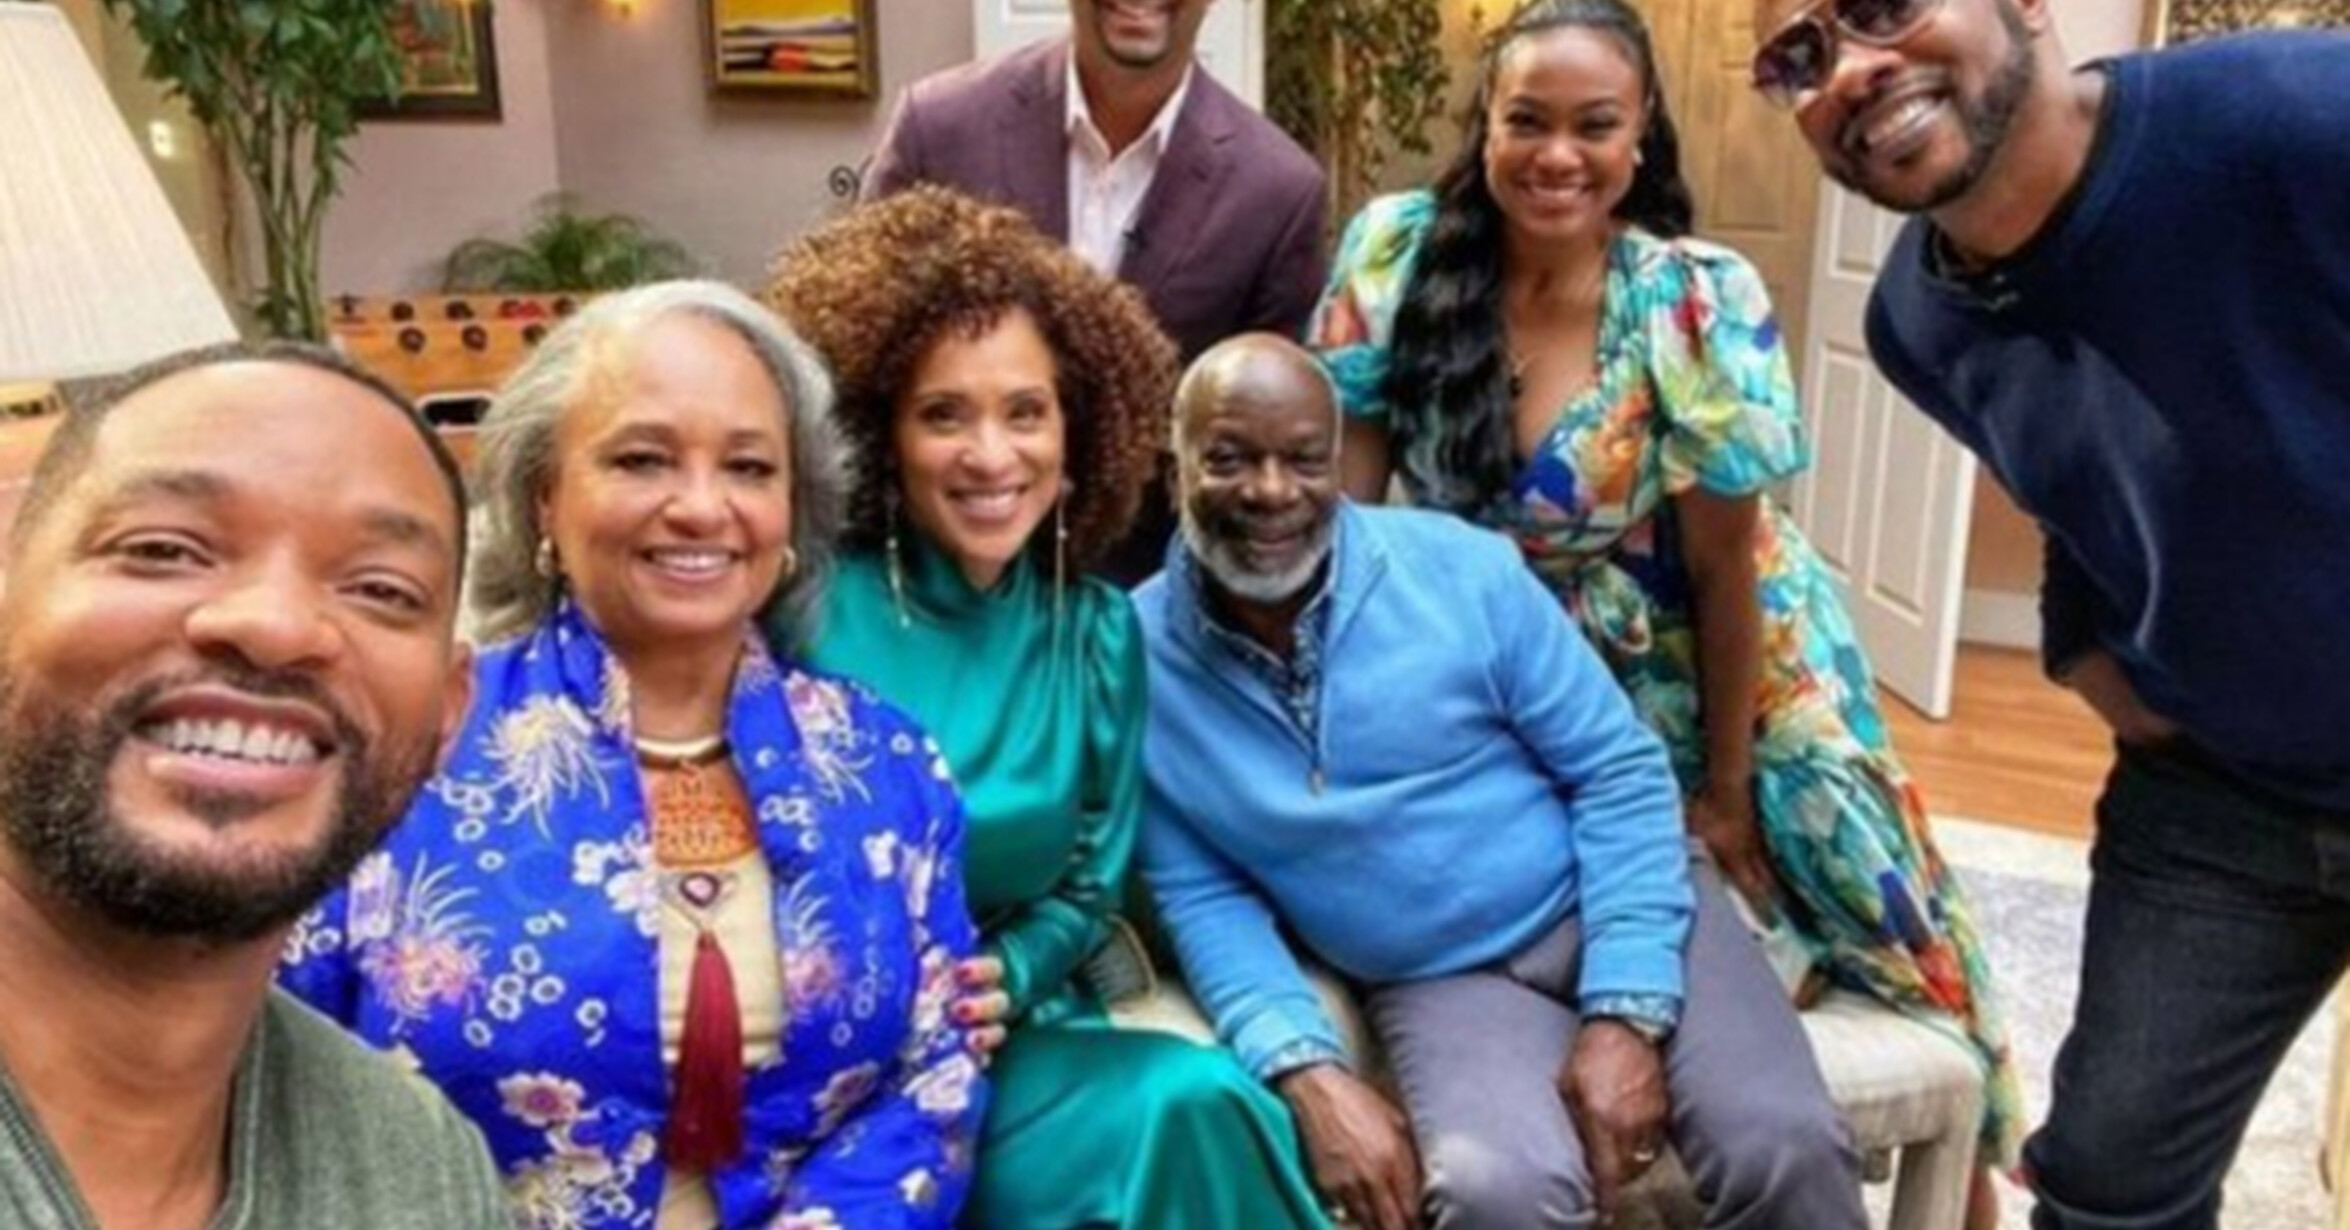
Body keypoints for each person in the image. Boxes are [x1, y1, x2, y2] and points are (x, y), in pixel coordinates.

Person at [1308, 0, 2021, 1211]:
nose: (1557, 155)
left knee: (1870, 912)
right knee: (1525, 899)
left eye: (1594, 126)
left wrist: (1729, 789)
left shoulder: (1691, 298)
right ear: (1486, 125)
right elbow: (1350, 527)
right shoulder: (1396, 253)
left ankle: (1968, 1186)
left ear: (1639, 139)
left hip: (1702, 652)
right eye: (1526, 121)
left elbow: (1723, 570)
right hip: (1500, 655)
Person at [1747, 0, 2350, 1224]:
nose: (1853, 69)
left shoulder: (2295, 116)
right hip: (2225, 803)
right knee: (2103, 1185)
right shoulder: (1914, 321)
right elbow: (2067, 492)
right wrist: (2079, 652)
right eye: (1799, 57)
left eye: (1881, 7)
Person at [280, 282, 987, 1230]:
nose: (701, 506)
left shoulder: (885, 760)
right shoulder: (414, 735)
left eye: (749, 467)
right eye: (642, 459)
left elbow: (937, 1066)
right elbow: (283, 1062)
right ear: (544, 497)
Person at [1140, 334, 1869, 1230]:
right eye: (1227, 459)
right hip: (1437, 978)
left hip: (1600, 893)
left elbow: (1618, 771)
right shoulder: (1136, 663)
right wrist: (1303, 1067)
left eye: (1304, 459)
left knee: (1783, 1142)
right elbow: (1201, 892)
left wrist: (1627, 1009)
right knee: (1496, 1194)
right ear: (1173, 469)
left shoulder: (1462, 571)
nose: (1270, 490)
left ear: (1339, 466)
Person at [764, 187, 1333, 1230]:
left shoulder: (1096, 633)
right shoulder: (801, 610)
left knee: (1190, 1102)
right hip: (816, 1072)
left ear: (1078, 431)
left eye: (1025, 412)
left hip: (1009, 1044)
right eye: (944, 414)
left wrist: (1008, 974)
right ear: (881, 432)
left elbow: (1087, 884)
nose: (993, 455)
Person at [0, 342, 507, 1229]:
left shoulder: (420, 1170)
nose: (276, 626)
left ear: (446, 716)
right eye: (163, 548)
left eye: (382, 589)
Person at [862, 0, 1328, 584]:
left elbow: (1255, 444)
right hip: (922, 584)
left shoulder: (1278, 193)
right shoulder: (939, 128)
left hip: (1135, 595)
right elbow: (858, 368)